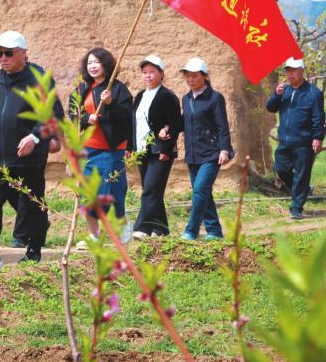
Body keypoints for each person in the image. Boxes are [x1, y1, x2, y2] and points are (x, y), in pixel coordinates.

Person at [0, 31, 63, 269]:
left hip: (29, 157)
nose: (3, 58)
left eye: (8, 53)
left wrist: (35, 137)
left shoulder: (39, 80)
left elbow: (54, 115)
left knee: (32, 203)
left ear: (23, 54)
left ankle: (34, 250)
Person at [69, 47, 133, 248]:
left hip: (111, 150)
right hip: (89, 150)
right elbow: (73, 115)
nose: (93, 66)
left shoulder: (117, 89)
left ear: (106, 64)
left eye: (96, 62)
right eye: (89, 63)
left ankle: (121, 225)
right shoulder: (82, 89)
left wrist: (111, 103)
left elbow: (127, 119)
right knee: (87, 193)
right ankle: (95, 235)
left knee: (110, 191)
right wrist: (87, 119)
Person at [266, 57, 326, 220]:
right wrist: (276, 95)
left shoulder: (313, 93)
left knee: (301, 174)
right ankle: (303, 190)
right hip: (285, 141)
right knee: (281, 168)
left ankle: (296, 207)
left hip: (304, 142)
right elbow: (270, 108)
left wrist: (317, 137)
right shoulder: (284, 91)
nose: (290, 74)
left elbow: (318, 117)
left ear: (301, 71)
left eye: (293, 71)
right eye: (288, 71)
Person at [180, 57, 233, 240]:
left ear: (205, 76)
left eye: (195, 76)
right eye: (188, 76)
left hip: (212, 153)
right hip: (192, 154)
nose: (190, 79)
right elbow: (184, 123)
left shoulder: (215, 98)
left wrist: (224, 150)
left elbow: (222, 126)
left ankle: (191, 230)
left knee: (200, 190)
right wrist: (167, 128)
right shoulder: (186, 99)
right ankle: (215, 231)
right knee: (204, 193)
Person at [130, 54, 182, 238]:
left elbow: (176, 124)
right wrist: (130, 148)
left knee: (151, 189)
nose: (148, 75)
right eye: (144, 72)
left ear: (161, 73)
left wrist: (167, 148)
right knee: (153, 189)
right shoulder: (139, 96)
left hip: (160, 151)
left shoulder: (167, 96)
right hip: (142, 150)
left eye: (152, 72)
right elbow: (134, 124)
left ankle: (142, 228)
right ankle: (161, 229)